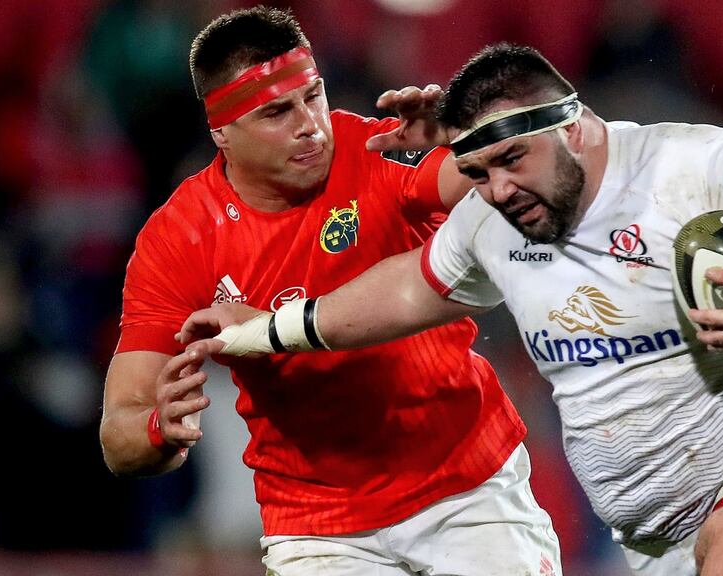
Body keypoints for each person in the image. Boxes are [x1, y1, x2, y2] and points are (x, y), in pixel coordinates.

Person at [180, 44, 723, 575]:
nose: (497, 189)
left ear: (576, 126)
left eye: (512, 160)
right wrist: (269, 329)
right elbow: (404, 290)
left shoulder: (692, 164)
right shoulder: (492, 218)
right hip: (653, 537)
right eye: (477, 172)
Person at [99, 10, 563, 576]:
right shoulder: (179, 239)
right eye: (277, 112)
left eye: (313, 96)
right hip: (318, 524)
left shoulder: (373, 148)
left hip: (466, 486)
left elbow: (512, 176)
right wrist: (159, 427)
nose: (311, 126)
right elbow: (119, 433)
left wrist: (468, 137)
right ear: (221, 132)